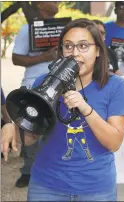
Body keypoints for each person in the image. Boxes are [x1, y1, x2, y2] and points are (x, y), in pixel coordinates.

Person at [2, 18, 124, 201]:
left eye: (83, 46)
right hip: (46, 185)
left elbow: (114, 143)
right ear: (61, 50)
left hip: (95, 189)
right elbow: (31, 138)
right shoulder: (43, 82)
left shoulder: (115, 86)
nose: (75, 53)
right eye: (68, 46)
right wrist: (13, 125)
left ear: (97, 51)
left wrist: (85, 109)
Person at [11, 2, 59, 188]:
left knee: (56, 132)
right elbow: (16, 58)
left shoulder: (65, 29)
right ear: (40, 4)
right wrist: (44, 58)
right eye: (53, 1)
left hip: (60, 88)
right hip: (32, 87)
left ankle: (53, 171)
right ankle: (28, 172)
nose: (56, 3)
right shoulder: (27, 30)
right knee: (31, 130)